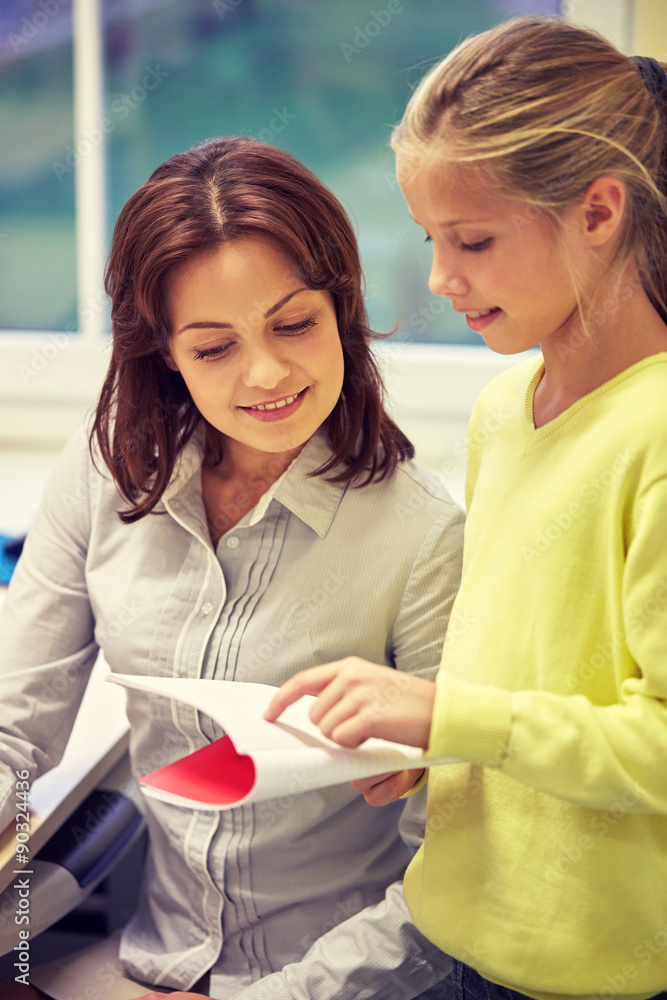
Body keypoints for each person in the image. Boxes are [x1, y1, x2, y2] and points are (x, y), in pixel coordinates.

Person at [0, 137, 465, 999]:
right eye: (214, 347)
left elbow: (448, 877)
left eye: (294, 324)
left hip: (332, 981)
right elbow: (12, 730)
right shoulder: (102, 472)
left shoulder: (423, 533)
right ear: (165, 353)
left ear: (342, 311)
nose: (267, 372)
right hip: (153, 963)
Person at [265, 17, 667, 1000]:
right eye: (430, 241)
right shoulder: (503, 411)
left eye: (473, 240)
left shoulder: (654, 434)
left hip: (597, 976)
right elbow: (527, 678)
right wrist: (432, 743)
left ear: (599, 212)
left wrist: (448, 709)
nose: (441, 280)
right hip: (458, 929)